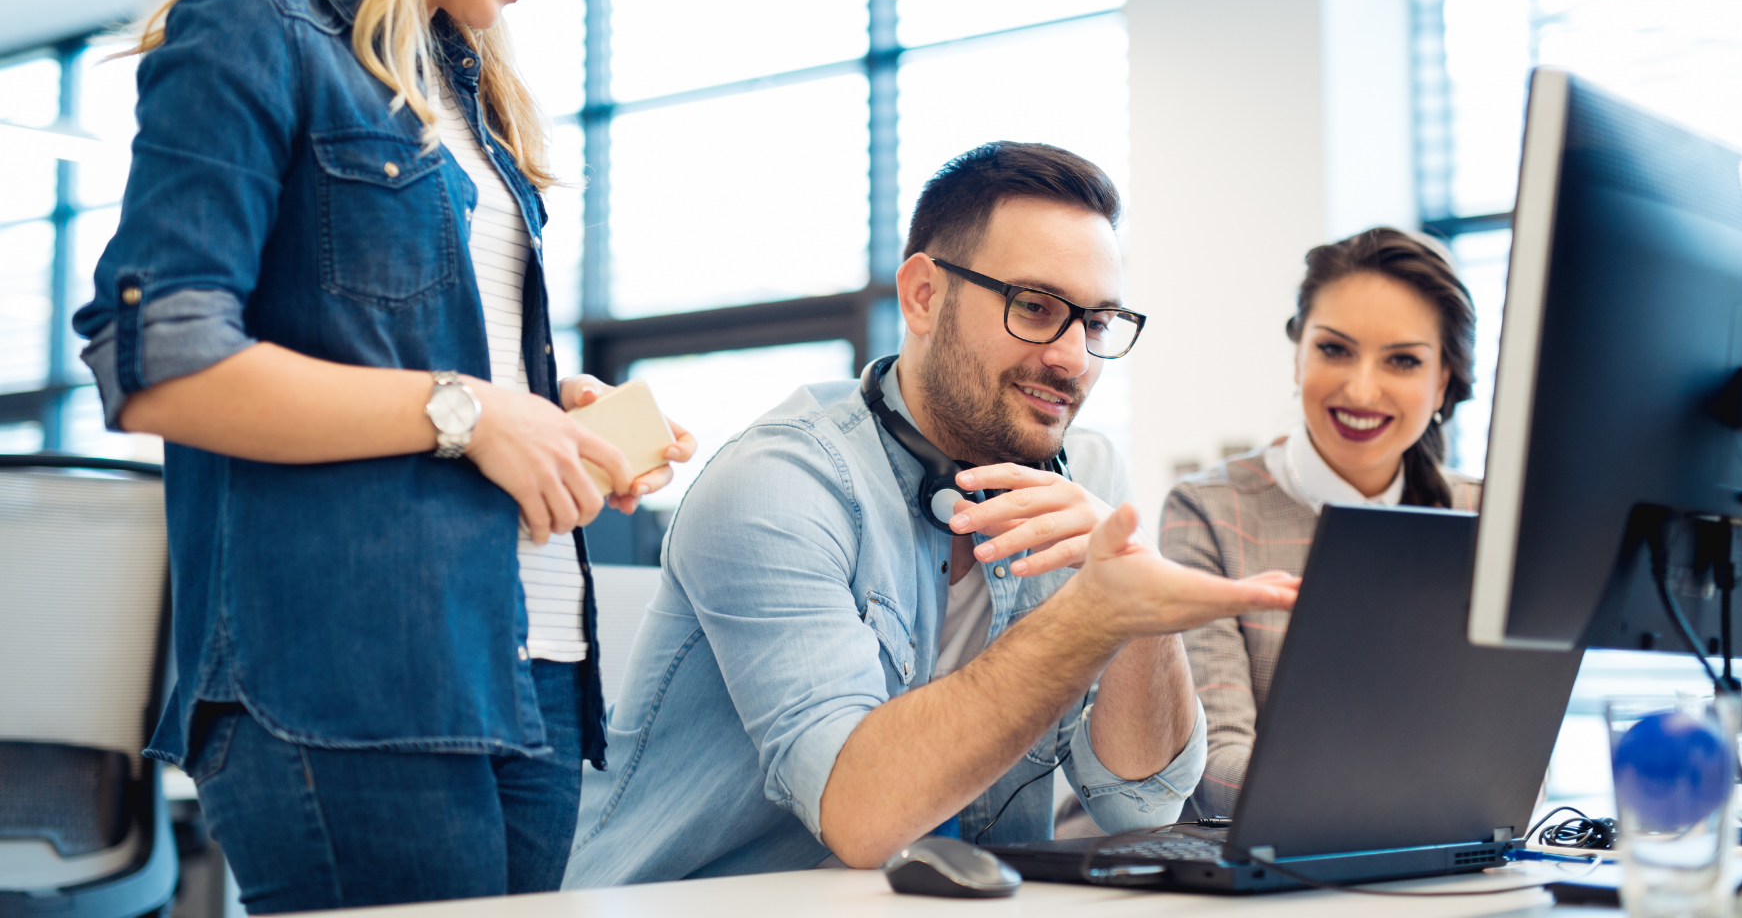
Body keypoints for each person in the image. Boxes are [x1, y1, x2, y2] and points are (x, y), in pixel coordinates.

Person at [70, 0, 695, 911]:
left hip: (534, 666)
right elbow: (159, 356)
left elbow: (409, 358)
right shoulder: (252, 29)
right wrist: (468, 410)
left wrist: (546, 414)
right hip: (352, 671)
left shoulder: (475, 99)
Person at [561, 141, 1301, 886]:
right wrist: (1090, 618)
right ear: (922, 296)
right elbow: (862, 814)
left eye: (1098, 324)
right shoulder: (779, 484)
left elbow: (1143, 806)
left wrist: (1142, 614)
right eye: (1036, 308)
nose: (1075, 359)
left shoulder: (1089, 473)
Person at [1163, 226, 1480, 818]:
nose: (1362, 389)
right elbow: (1212, 767)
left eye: (1403, 361)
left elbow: (1511, 763)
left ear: (1442, 382)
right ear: (1298, 354)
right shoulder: (1209, 510)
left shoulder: (1483, 518)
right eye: (1335, 349)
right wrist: (1413, 793)